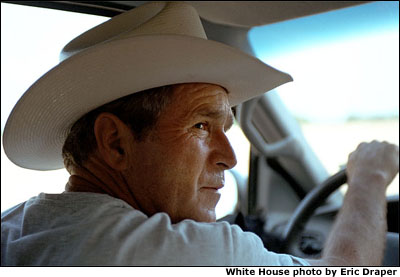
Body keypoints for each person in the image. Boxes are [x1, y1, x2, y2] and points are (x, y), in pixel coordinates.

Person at [1, 2, 398, 266]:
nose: (230, 156)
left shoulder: (14, 227)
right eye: (201, 125)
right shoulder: (172, 252)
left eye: (226, 127)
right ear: (115, 142)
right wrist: (369, 177)